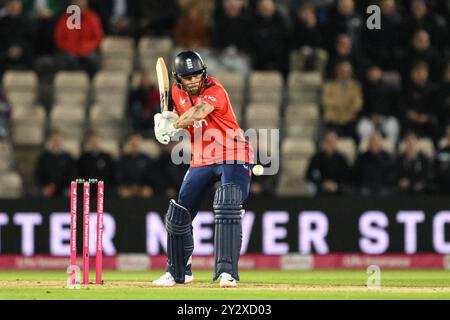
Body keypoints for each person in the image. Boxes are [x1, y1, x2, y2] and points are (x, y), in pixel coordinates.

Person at [152, 51, 254, 288]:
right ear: (178, 79)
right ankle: (178, 272)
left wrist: (173, 124)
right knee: (179, 215)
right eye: (188, 77)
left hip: (233, 153)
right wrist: (162, 122)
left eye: (197, 75)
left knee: (228, 203)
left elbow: (199, 112)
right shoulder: (176, 93)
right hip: (201, 158)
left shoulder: (215, 89)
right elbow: (175, 114)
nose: (194, 80)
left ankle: (227, 273)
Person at [54, 0, 104, 78]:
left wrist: (84, 49)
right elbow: (60, 40)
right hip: (70, 53)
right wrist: (74, 49)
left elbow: (97, 38)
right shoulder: (65, 19)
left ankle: (89, 83)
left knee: (93, 59)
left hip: (87, 52)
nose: (80, 6)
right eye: (77, 3)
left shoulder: (93, 18)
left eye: (82, 3)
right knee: (68, 59)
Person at [34, 129, 76, 197]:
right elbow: (38, 174)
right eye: (54, 140)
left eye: (58, 140)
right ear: (50, 141)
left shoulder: (68, 157)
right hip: (48, 190)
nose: (56, 142)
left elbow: (73, 174)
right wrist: (44, 187)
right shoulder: (44, 157)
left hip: (64, 189)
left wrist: (69, 187)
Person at [306, 131, 349, 195]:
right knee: (310, 187)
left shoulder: (342, 159)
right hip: (320, 186)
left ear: (336, 143)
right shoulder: (316, 158)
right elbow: (309, 175)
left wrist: (336, 185)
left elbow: (346, 176)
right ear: (324, 142)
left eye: (332, 142)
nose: (329, 144)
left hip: (337, 187)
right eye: (327, 141)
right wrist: (323, 184)